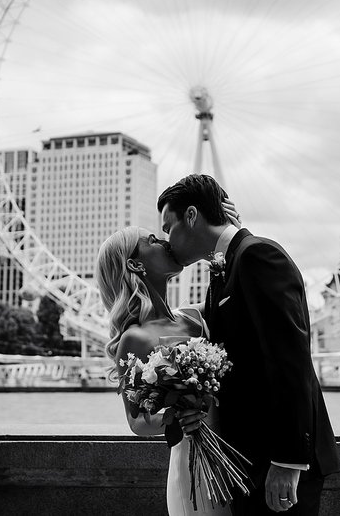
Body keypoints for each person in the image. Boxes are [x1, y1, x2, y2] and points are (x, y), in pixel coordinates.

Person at [157, 174, 340, 515]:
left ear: (193, 216)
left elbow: (290, 361)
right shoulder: (229, 266)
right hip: (247, 458)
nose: (167, 241)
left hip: (275, 459)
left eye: (169, 228)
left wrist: (288, 462)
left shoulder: (257, 256)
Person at [95, 201, 241, 516]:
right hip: (192, 462)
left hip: (237, 452)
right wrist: (178, 412)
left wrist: (232, 232)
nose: (164, 241)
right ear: (135, 266)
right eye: (152, 240)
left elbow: (241, 293)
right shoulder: (134, 339)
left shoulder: (194, 317)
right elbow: (136, 421)